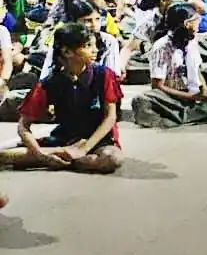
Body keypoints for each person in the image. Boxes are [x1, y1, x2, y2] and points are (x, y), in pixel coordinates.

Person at [0, 24, 123, 175]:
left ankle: (67, 159)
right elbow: (23, 126)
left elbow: (110, 117)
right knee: (4, 155)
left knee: (112, 159)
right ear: (67, 52)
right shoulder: (50, 83)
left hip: (98, 141)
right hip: (63, 140)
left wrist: (83, 149)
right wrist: (41, 154)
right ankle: (63, 155)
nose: (95, 50)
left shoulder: (104, 75)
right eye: (88, 45)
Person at [130, 6, 207, 128]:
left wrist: (205, 90)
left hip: (195, 97)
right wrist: (189, 97)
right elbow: (158, 85)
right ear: (187, 24)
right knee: (142, 100)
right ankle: (190, 115)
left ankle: (184, 117)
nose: (198, 24)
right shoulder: (161, 47)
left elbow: (197, 71)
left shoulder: (191, 42)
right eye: (196, 21)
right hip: (172, 98)